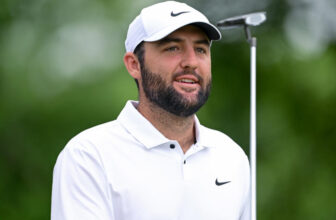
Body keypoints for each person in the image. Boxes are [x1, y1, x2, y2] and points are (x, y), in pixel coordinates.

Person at [51, 1, 250, 219]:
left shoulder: (231, 156)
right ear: (134, 65)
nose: (192, 62)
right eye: (173, 48)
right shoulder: (88, 156)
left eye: (201, 49)